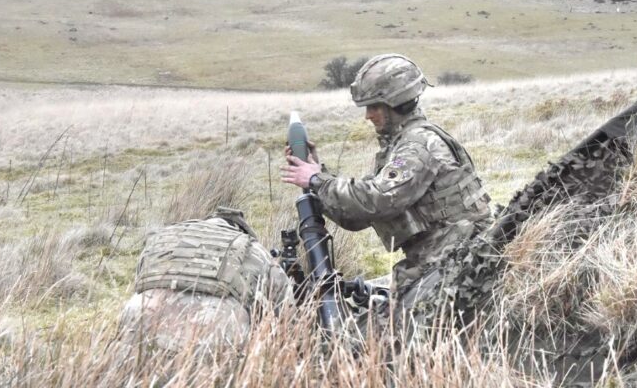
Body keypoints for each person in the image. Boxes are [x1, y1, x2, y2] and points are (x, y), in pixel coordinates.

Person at [281, 53, 492, 327]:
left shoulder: (418, 145)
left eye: (374, 107)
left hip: (456, 263)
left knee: (376, 338)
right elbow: (357, 216)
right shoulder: (403, 145)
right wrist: (317, 173)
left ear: (397, 104)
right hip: (441, 261)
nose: (368, 116)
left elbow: (378, 200)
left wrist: (318, 181)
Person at [120, 207, 293, 352]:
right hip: (213, 332)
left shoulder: (162, 238)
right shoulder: (254, 249)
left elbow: (140, 285)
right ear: (241, 231)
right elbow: (287, 315)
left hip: (141, 318)